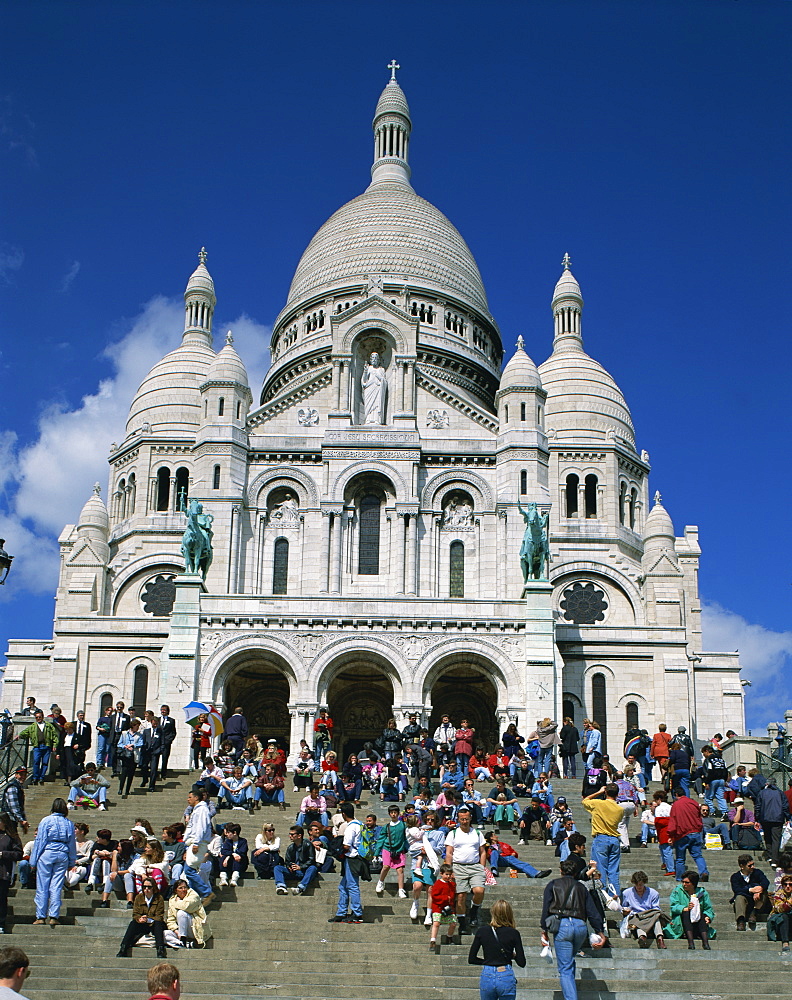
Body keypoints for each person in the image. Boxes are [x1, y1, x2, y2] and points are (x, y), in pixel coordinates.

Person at [541, 858, 607, 1000]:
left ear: (561, 871)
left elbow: (545, 908)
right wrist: (600, 932)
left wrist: (543, 930)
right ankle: (571, 991)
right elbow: (592, 911)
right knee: (570, 959)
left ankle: (571, 997)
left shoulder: (553, 885)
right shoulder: (581, 887)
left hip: (562, 926)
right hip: (580, 925)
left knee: (564, 967)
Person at [29, 798, 76, 926]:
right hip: (63, 853)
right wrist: (72, 861)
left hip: (47, 852)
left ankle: (41, 916)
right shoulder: (69, 823)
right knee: (56, 886)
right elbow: (72, 843)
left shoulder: (46, 820)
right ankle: (54, 916)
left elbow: (40, 841)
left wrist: (33, 861)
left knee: (43, 885)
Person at [467, 897, 525, 998]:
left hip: (487, 973)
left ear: (493, 913)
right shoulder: (514, 933)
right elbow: (522, 962)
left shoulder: (482, 931)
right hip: (505, 973)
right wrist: (514, 956)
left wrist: (488, 961)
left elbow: (472, 959)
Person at [445, 805, 487, 933]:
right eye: (462, 819)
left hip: (475, 866)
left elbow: (483, 852)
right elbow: (449, 853)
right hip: (458, 866)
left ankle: (474, 911)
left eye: (467, 819)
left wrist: (482, 867)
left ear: (470, 819)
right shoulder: (453, 833)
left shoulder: (477, 833)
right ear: (458, 819)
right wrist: (449, 870)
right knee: (461, 896)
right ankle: (462, 922)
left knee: (479, 891)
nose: (464, 821)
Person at [582, 783, 624, 894]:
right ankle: (615, 895)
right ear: (617, 794)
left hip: (601, 838)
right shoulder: (620, 809)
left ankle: (603, 895)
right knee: (613, 871)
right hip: (614, 839)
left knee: (600, 869)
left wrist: (599, 792)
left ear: (606, 792)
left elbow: (585, 800)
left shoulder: (598, 803)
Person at [329, 801, 367, 923]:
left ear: (344, 814)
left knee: (352, 885)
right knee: (343, 886)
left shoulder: (351, 827)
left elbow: (346, 845)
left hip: (352, 858)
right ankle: (341, 912)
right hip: (358, 858)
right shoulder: (360, 824)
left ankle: (357, 913)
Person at [117, 876, 168, 958]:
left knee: (158, 924)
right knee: (133, 923)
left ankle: (160, 949)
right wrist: (139, 919)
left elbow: (159, 916)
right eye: (144, 887)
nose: (146, 889)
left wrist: (149, 919)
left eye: (149, 887)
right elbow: (135, 914)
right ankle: (123, 948)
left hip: (154, 923)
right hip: (142, 923)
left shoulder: (159, 898)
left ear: (153, 888)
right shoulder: (138, 898)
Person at [667, 870, 716, 949]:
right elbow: (673, 907)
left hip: (698, 922)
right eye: (683, 882)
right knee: (687, 912)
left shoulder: (702, 892)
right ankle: (691, 942)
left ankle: (705, 942)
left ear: (693, 884)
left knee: (700, 913)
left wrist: (708, 917)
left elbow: (708, 908)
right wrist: (685, 908)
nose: (684, 884)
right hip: (682, 923)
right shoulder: (677, 891)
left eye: (687, 882)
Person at [668, 790, 709, 882]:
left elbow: (673, 820)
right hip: (695, 832)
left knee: (680, 859)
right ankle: (704, 872)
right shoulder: (694, 803)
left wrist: (670, 835)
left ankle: (680, 878)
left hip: (682, 834)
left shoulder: (676, 805)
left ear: (676, 795)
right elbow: (699, 817)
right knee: (698, 856)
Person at [182, 790, 214, 903]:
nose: (188, 799)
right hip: (195, 842)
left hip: (198, 843)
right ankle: (195, 894)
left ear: (196, 798)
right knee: (190, 870)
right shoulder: (197, 810)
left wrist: (196, 843)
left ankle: (206, 892)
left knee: (189, 870)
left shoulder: (202, 810)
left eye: (190, 797)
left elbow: (201, 827)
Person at [621, 870, 666, 948]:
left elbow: (656, 908)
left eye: (641, 885)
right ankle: (642, 937)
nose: (639, 887)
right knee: (638, 920)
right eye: (637, 885)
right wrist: (626, 911)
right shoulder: (627, 893)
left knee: (656, 919)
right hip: (636, 915)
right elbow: (625, 906)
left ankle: (660, 938)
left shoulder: (653, 893)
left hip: (650, 915)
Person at [15, 710, 59, 785]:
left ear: (42, 717)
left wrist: (55, 745)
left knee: (45, 763)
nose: (38, 718)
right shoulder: (33, 726)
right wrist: (19, 736)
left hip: (46, 746)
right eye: (37, 717)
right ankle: (35, 777)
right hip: (37, 746)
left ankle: (41, 777)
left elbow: (55, 736)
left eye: (40, 717)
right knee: (36, 762)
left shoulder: (48, 725)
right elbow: (25, 732)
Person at [484, 831, 551, 880]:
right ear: (491, 838)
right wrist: (488, 848)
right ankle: (494, 869)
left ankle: (536, 873)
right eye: (494, 835)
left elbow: (513, 852)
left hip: (508, 859)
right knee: (495, 852)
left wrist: (514, 854)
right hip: (498, 861)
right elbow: (487, 856)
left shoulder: (503, 844)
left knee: (512, 859)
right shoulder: (487, 847)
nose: (497, 836)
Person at [165, 879, 210, 949]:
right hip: (180, 930)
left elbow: (186, 906)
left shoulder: (194, 895)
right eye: (180, 888)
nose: (183, 890)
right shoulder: (172, 900)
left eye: (185, 887)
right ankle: (185, 944)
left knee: (181, 913)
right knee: (165, 934)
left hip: (195, 928)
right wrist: (176, 931)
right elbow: (170, 920)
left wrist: (178, 902)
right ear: (175, 890)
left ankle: (183, 940)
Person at [730, 853, 770, 929]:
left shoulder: (757, 872)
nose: (752, 867)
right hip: (744, 901)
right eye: (749, 866)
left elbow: (765, 882)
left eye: (753, 864)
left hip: (757, 901)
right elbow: (737, 889)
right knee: (739, 897)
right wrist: (750, 890)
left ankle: (754, 913)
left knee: (764, 893)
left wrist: (759, 890)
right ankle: (741, 920)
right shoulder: (735, 877)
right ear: (742, 866)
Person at [375, 804, 408, 898]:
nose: (393, 814)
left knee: (400, 869)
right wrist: (377, 853)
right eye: (391, 813)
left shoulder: (403, 825)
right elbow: (381, 839)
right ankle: (380, 882)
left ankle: (401, 889)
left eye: (395, 812)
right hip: (387, 848)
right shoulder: (386, 826)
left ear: (398, 813)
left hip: (399, 850)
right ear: (389, 814)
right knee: (386, 866)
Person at [274, 825, 318, 895]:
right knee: (277, 868)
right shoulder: (290, 848)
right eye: (289, 834)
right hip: (294, 872)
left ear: (299, 836)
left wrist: (301, 867)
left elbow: (311, 859)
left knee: (313, 868)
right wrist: (290, 866)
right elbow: (287, 861)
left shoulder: (308, 845)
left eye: (292, 834)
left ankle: (301, 887)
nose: (290, 836)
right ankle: (281, 886)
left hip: (304, 871)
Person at [756, 778, 791, 865]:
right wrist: (788, 818)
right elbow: (785, 806)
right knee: (776, 838)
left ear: (767, 784)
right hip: (778, 818)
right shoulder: (780, 793)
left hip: (765, 818)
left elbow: (758, 806)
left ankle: (769, 855)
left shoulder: (762, 793)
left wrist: (757, 819)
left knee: (767, 837)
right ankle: (775, 859)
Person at [0, 815, 23, 935]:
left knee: (1, 899)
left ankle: (1, 923)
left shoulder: (11, 837)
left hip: (3, 872)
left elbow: (19, 854)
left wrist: (3, 854)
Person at [426, 863, 457, 949]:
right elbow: (435, 896)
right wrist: (445, 898)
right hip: (438, 907)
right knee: (436, 923)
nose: (448, 876)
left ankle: (449, 937)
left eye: (449, 874)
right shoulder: (438, 883)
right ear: (441, 874)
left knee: (453, 923)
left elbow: (453, 894)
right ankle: (433, 940)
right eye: (446, 874)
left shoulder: (451, 884)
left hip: (448, 908)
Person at [767, 874, 792, 954]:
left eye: (790, 884)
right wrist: (790, 902)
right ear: (782, 885)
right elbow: (781, 909)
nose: (788, 886)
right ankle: (785, 942)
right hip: (779, 922)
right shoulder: (778, 895)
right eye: (785, 884)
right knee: (784, 916)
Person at [700, 745, 729, 815]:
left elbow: (709, 771)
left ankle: (711, 811)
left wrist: (706, 782)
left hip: (712, 780)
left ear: (706, 751)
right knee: (721, 797)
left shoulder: (708, 759)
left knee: (708, 797)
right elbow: (725, 770)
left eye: (703, 753)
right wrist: (724, 779)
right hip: (722, 780)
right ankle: (725, 812)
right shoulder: (721, 759)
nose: (703, 755)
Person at [218, 822, 248, 887]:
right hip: (229, 864)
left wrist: (233, 855)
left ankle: (234, 879)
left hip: (240, 863)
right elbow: (224, 851)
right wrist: (231, 855)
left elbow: (242, 851)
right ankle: (223, 878)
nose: (227, 834)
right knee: (224, 857)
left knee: (237, 858)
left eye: (229, 833)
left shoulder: (243, 841)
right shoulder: (228, 841)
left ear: (234, 833)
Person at [361, 350, 387, 424]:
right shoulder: (368, 368)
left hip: (378, 389)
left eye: (376, 358)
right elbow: (364, 381)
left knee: (377, 405)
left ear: (378, 360)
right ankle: (368, 419)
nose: (374, 360)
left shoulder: (381, 369)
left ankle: (377, 419)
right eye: (372, 358)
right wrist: (365, 371)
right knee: (369, 405)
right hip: (369, 389)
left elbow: (384, 382)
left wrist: (379, 377)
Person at [0, 770, 28, 835]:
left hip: (11, 820)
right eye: (21, 774)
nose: (23, 777)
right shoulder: (13, 787)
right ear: (15, 775)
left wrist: (23, 820)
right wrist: (21, 820)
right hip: (7, 820)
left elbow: (20, 807)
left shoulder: (19, 787)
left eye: (25, 775)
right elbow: (14, 806)